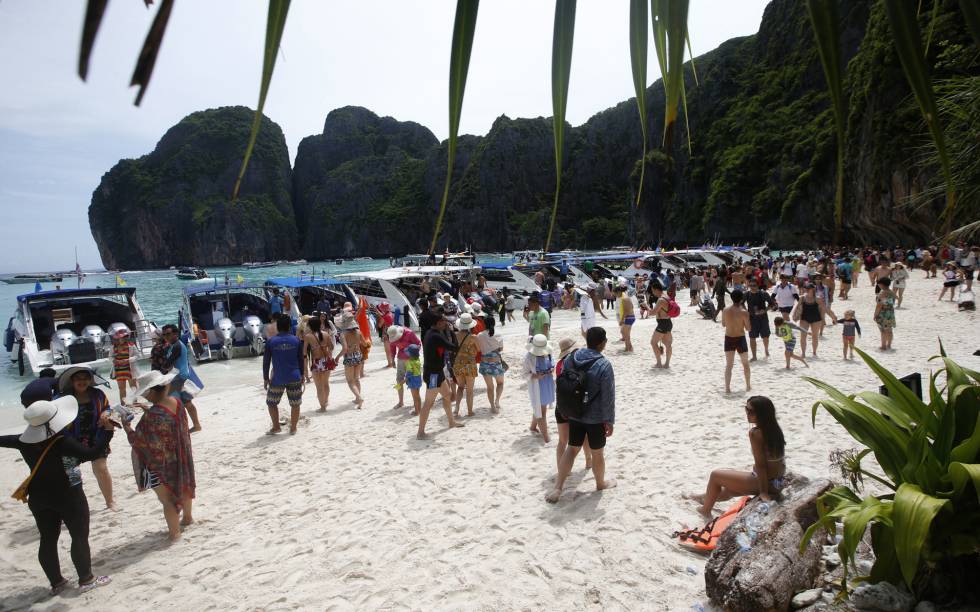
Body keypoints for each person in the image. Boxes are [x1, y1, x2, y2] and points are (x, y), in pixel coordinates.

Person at [0, 396, 113, 593]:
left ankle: (57, 583)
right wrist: (107, 431)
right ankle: (86, 579)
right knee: (79, 536)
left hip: (39, 497)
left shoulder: (22, 441)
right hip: (69, 494)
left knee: (47, 539)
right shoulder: (62, 441)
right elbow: (92, 453)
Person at [546, 327, 616, 503]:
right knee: (597, 453)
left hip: (574, 413)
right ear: (602, 343)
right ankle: (600, 483)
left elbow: (563, 383)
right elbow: (608, 396)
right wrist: (609, 421)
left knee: (572, 449)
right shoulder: (604, 365)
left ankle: (557, 488)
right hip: (595, 418)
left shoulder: (571, 357)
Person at [123, 370, 195, 541]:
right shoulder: (177, 403)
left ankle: (174, 533)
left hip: (163, 463)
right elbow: (169, 424)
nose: (146, 397)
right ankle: (187, 518)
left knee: (167, 499)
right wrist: (149, 410)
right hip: (181, 456)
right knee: (184, 485)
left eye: (147, 393)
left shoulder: (153, 416)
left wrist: (127, 428)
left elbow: (140, 441)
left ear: (153, 391)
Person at [689, 396, 786, 516]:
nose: (747, 414)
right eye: (746, 409)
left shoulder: (756, 433)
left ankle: (705, 510)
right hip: (779, 482)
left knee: (715, 475)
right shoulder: (774, 429)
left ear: (762, 414)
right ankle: (702, 497)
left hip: (766, 482)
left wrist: (763, 492)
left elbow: (761, 465)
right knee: (730, 491)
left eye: (751, 411)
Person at [60, 366, 115, 509]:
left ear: (90, 380)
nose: (82, 381)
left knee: (101, 469)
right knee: (72, 475)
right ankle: (76, 506)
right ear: (72, 381)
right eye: (78, 378)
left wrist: (106, 413)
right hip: (71, 441)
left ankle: (110, 502)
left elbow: (107, 407)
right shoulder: (62, 398)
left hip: (96, 437)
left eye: (85, 378)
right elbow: (52, 416)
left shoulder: (98, 394)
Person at [417, 313, 465, 439]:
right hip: (433, 375)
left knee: (447, 395)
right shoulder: (436, 336)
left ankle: (451, 422)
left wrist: (448, 330)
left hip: (437, 372)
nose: (446, 323)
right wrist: (453, 332)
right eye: (444, 321)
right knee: (428, 403)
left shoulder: (429, 332)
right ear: (438, 322)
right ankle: (420, 432)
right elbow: (455, 348)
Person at [553, 338, 592, 471]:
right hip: (576, 405)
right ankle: (588, 461)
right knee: (585, 436)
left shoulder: (559, 365)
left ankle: (561, 469)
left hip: (561, 406)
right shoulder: (578, 363)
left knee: (562, 441)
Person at [262, 315, 306, 434]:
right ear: (289, 326)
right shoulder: (296, 340)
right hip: (295, 376)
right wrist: (303, 374)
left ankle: (276, 427)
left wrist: (265, 378)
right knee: (295, 403)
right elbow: (301, 359)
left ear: (278, 327)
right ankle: (293, 428)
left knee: (271, 403)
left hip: (278, 378)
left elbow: (266, 362)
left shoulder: (271, 341)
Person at [161, 324, 203, 433]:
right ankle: (196, 425)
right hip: (180, 377)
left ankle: (181, 429)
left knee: (173, 404)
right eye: (164, 335)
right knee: (187, 403)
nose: (166, 336)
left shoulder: (177, 346)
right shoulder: (172, 345)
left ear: (175, 334)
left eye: (168, 334)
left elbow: (167, 364)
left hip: (179, 378)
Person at [524, 334, 555, 443]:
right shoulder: (529, 357)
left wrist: (551, 370)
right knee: (541, 411)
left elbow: (552, 365)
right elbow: (524, 374)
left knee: (541, 408)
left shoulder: (549, 353)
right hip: (537, 386)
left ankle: (533, 427)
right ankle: (546, 437)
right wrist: (535, 376)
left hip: (547, 384)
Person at [388, 324, 422, 412]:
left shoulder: (409, 333)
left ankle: (416, 405)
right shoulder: (392, 334)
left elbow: (418, 344)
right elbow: (392, 348)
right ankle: (401, 402)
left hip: (411, 359)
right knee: (399, 379)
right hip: (400, 358)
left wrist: (413, 359)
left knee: (412, 381)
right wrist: (392, 360)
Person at [302, 318, 334, 412]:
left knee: (319, 386)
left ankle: (322, 407)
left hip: (316, 362)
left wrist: (305, 366)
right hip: (326, 361)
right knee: (326, 383)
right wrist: (324, 348)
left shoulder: (308, 336)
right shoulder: (326, 334)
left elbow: (304, 352)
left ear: (310, 326)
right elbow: (331, 347)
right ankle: (326, 401)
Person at [722, 289, 751, 394]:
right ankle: (748, 385)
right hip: (740, 338)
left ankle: (727, 388)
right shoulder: (744, 312)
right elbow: (748, 328)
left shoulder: (725, 310)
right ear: (741, 299)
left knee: (729, 365)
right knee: (745, 364)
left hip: (729, 338)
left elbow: (723, 324)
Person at [452, 313, 480, 418]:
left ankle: (456, 409)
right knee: (469, 390)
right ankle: (470, 411)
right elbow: (479, 349)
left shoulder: (454, 335)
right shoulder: (473, 337)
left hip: (457, 363)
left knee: (460, 387)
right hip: (470, 364)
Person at [337, 312, 365, 408]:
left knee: (350, 381)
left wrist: (337, 357)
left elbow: (344, 349)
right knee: (356, 378)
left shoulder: (343, 334)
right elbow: (365, 344)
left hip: (349, 357)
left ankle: (359, 397)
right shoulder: (358, 331)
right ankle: (358, 399)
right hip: (359, 355)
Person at [792, 283, 827, 357]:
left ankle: (814, 352)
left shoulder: (818, 298)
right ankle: (803, 353)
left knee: (815, 336)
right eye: (806, 288)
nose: (806, 290)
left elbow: (823, 309)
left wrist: (822, 319)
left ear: (813, 289)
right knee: (803, 336)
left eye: (808, 288)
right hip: (804, 318)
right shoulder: (802, 298)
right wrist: (795, 316)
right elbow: (797, 308)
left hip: (816, 319)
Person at [476, 328, 505, 414]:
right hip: (495, 361)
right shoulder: (498, 333)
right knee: (500, 383)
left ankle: (492, 406)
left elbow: (478, 349)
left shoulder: (480, 335)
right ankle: (497, 401)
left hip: (485, 361)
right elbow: (501, 348)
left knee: (490, 387)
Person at [745, 279, 774, 361]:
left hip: (763, 318)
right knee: (752, 337)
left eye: (754, 285)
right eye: (750, 285)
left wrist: (764, 310)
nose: (752, 287)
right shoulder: (747, 294)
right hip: (752, 319)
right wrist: (746, 312)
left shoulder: (763, 293)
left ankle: (766, 350)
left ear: (758, 285)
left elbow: (772, 304)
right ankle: (754, 356)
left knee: (765, 337)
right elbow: (741, 303)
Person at [648, 281, 673, 368]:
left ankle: (659, 363)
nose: (652, 293)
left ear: (656, 289)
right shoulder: (667, 297)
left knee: (653, 342)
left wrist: (646, 306)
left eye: (653, 291)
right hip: (668, 322)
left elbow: (653, 313)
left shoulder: (661, 299)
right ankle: (667, 364)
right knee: (667, 344)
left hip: (662, 324)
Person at [110, 328, 137, 404]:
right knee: (121, 388)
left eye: (125, 337)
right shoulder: (113, 347)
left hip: (129, 369)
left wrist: (128, 360)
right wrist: (114, 360)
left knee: (133, 387)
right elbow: (110, 357)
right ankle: (123, 404)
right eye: (122, 337)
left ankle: (135, 403)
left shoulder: (131, 345)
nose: (123, 338)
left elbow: (138, 356)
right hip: (119, 370)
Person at [874, 277, 897, 351]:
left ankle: (883, 346)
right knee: (889, 329)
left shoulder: (882, 293)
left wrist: (875, 314)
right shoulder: (891, 292)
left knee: (883, 330)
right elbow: (896, 299)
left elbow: (879, 305)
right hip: (890, 312)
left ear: (882, 284)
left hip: (883, 313)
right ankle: (889, 345)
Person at [615, 285, 635, 352]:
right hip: (631, 317)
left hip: (628, 317)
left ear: (618, 292)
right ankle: (629, 348)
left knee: (624, 333)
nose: (616, 296)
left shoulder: (624, 299)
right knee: (626, 334)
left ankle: (628, 348)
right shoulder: (627, 297)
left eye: (615, 294)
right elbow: (632, 306)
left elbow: (625, 311)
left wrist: (622, 320)